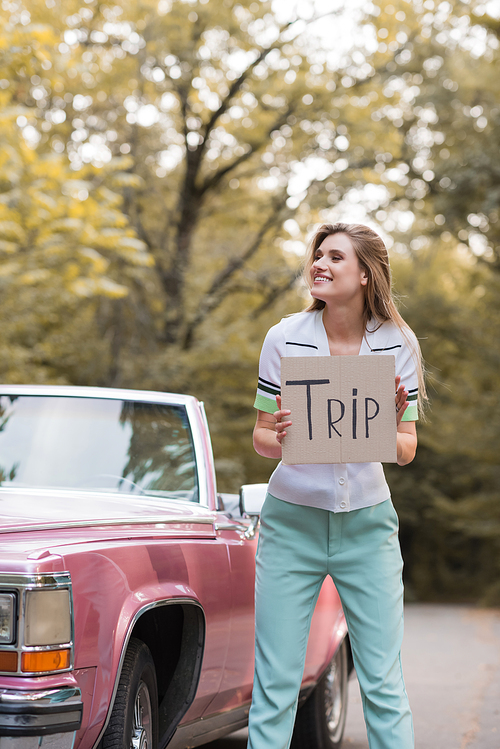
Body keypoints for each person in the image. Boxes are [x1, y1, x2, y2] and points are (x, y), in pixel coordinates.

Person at [247, 222, 426, 749]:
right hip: (291, 524)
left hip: (368, 527)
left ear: (366, 274)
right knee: (276, 683)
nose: (319, 264)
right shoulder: (284, 337)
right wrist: (277, 434)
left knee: (384, 683)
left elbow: (406, 447)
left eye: (335, 257)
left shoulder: (397, 344)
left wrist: (387, 426)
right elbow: (261, 436)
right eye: (317, 255)